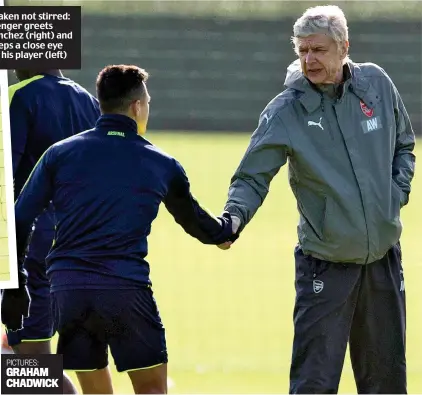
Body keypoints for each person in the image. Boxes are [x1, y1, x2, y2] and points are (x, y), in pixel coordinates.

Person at [7, 64, 237, 394]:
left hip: (69, 292)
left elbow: (18, 218)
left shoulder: (58, 154)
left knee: (95, 391)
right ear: (137, 107)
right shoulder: (161, 162)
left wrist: (16, 287)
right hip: (125, 290)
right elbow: (199, 223)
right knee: (151, 388)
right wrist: (226, 231)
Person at [222, 5, 416, 394]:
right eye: (302, 51)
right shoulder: (285, 111)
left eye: (318, 50)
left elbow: (404, 146)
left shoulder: (376, 84)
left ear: (344, 47)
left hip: (382, 260)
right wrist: (233, 218)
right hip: (324, 267)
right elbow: (251, 176)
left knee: (387, 382)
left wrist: (394, 196)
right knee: (314, 384)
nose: (309, 59)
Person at [2, 69, 102, 394]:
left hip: (25, 253)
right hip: (73, 250)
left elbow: (7, 181)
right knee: (35, 370)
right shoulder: (90, 103)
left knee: (31, 372)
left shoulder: (20, 96)